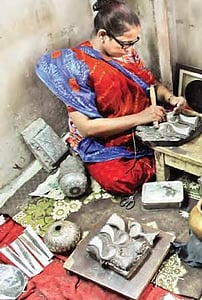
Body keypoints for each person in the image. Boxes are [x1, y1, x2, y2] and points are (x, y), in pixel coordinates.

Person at [35, 0, 186, 195]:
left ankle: (161, 156)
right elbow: (87, 128)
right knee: (119, 181)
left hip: (144, 121)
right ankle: (160, 158)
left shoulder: (126, 54)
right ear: (103, 35)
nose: (131, 49)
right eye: (126, 43)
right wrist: (142, 117)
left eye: (134, 42)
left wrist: (171, 98)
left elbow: (151, 85)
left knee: (187, 122)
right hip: (106, 136)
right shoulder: (76, 67)